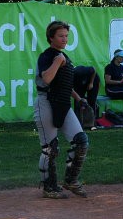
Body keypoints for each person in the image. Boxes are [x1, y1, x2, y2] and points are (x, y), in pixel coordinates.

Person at [34, 20, 89, 199]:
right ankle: (49, 187)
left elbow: (64, 85)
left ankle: (70, 180)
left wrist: (79, 98)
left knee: (81, 141)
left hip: (63, 102)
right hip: (46, 102)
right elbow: (47, 79)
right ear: (51, 37)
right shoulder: (47, 56)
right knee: (50, 148)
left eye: (66, 35)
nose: (65, 39)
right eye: (61, 36)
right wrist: (57, 62)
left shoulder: (63, 56)